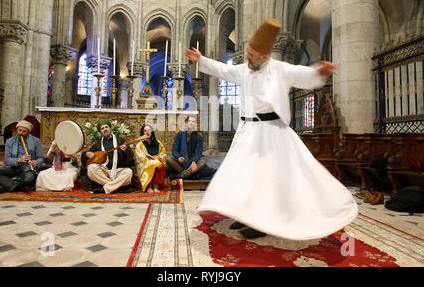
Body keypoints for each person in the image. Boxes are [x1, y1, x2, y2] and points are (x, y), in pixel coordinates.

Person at [185, 18, 358, 240]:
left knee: (264, 178)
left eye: (252, 54)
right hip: (247, 131)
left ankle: (261, 222)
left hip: (270, 132)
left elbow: (302, 74)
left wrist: (319, 72)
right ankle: (243, 214)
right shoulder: (244, 69)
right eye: (248, 52)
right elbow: (222, 71)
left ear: (264, 57)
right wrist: (201, 59)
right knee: (243, 175)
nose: (247, 57)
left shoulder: (280, 69)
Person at [0, 119, 44, 194]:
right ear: (16, 129)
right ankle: (20, 187)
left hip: (27, 168)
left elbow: (41, 158)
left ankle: (5, 186)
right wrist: (18, 160)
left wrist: (36, 162)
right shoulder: (9, 141)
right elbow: (7, 160)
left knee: (29, 178)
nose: (21, 133)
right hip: (12, 167)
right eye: (19, 130)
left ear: (28, 132)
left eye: (24, 131)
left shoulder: (36, 141)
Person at [81, 119, 135, 194]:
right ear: (101, 131)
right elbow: (86, 155)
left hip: (118, 170)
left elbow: (130, 158)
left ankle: (105, 188)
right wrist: (87, 153)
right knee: (91, 168)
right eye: (102, 128)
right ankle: (114, 187)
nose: (105, 129)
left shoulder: (120, 140)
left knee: (128, 172)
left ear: (110, 128)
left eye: (106, 127)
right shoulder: (98, 144)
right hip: (104, 171)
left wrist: (125, 151)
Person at [167, 115, 215, 180]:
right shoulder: (180, 135)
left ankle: (180, 175)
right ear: (186, 122)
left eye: (193, 121)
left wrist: (194, 161)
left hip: (191, 161)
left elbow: (198, 152)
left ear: (195, 124)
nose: (191, 123)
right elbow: (174, 149)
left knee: (202, 162)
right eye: (189, 121)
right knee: (168, 159)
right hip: (182, 160)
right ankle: (190, 175)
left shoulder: (198, 137)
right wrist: (178, 157)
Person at [135, 124, 167, 193]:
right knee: (151, 164)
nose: (147, 132)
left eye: (149, 130)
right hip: (145, 163)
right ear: (143, 133)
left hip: (156, 160)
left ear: (152, 132)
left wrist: (157, 158)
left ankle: (156, 186)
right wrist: (150, 160)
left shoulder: (158, 143)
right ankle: (148, 186)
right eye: (145, 131)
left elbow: (163, 153)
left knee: (160, 164)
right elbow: (140, 157)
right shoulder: (140, 145)